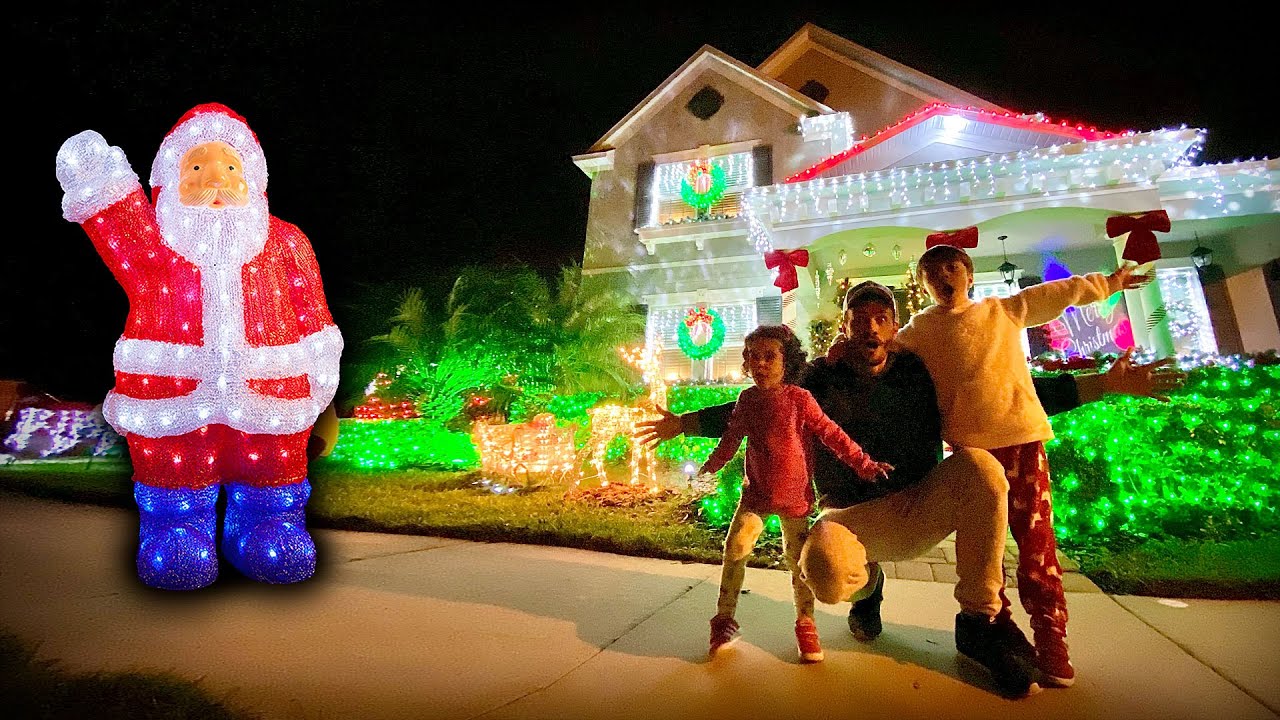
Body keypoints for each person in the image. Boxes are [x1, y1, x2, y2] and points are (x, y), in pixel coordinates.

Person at [637, 282, 1183, 697]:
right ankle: (867, 587)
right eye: (860, 319)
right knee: (824, 571)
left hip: (921, 505)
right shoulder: (820, 381)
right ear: (845, 328)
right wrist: (684, 423)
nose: (871, 328)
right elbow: (754, 409)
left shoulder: (920, 373)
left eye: (882, 318)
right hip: (852, 516)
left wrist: (1103, 383)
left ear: (895, 326)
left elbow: (1007, 392)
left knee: (979, 470)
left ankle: (979, 620)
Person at [55, 103, 343, 590]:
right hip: (171, 398)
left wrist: (320, 375)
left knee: (272, 472)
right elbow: (117, 219)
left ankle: (267, 526)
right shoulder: (157, 247)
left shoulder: (287, 243)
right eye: (196, 167)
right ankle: (174, 532)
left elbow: (312, 313)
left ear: (253, 179)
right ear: (168, 183)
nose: (216, 179)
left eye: (230, 167)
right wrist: (95, 173)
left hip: (272, 397)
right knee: (176, 474)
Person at [891, 244, 1147, 687]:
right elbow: (877, 358)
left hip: (1023, 444)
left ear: (969, 275)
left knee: (1036, 545)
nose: (942, 275)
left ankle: (1052, 638)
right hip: (971, 458)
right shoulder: (916, 332)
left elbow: (1057, 293)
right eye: (931, 271)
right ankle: (998, 627)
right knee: (983, 551)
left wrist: (1110, 284)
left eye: (951, 267)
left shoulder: (1002, 311)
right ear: (922, 284)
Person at [699, 325, 893, 664]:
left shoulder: (799, 400)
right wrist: (712, 465)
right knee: (737, 547)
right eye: (752, 357)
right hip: (755, 496)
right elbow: (731, 438)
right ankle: (724, 619)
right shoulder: (747, 400)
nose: (759, 364)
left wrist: (863, 463)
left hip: (796, 501)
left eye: (769, 356)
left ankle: (806, 622)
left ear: (787, 361)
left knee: (798, 562)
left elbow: (831, 434)